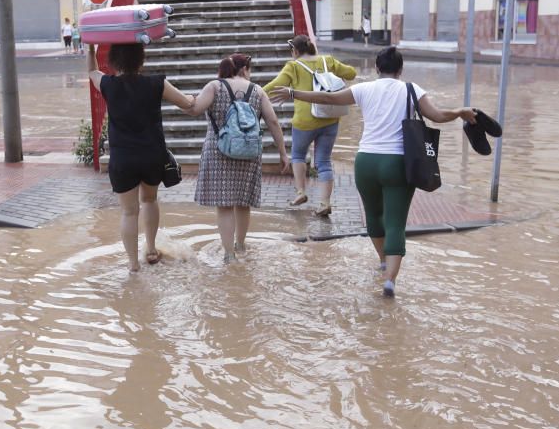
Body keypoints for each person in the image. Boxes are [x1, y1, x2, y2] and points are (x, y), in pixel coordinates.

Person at [269, 46, 477, 298]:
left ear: (377, 68)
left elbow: (327, 99)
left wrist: (293, 92)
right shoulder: (411, 89)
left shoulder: (364, 88)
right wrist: (460, 112)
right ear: (401, 69)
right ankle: (390, 279)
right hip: (397, 163)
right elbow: (438, 116)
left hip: (365, 162)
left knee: (374, 218)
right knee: (395, 222)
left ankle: (382, 261)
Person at [88, 43, 194, 272]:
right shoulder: (155, 83)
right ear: (141, 61)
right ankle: (151, 249)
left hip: (123, 158)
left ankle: (133, 264)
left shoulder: (108, 84)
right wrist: (195, 97)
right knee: (149, 200)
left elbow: (91, 73)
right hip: (151, 155)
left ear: (114, 63)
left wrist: (90, 49)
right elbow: (186, 103)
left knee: (129, 211)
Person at [188, 53, 290, 263]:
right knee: (243, 202)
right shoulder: (258, 91)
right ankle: (241, 246)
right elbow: (272, 121)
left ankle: (228, 254)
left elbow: (195, 109)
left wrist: (185, 100)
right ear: (245, 69)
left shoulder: (214, 87)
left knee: (225, 205)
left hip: (218, 152)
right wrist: (282, 152)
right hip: (248, 152)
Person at [262, 36, 357, 215]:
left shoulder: (293, 66)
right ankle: (324, 203)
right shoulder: (327, 60)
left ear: (295, 51)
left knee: (298, 155)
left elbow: (276, 85)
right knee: (324, 161)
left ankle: (301, 192)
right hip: (330, 118)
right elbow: (351, 73)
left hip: (305, 122)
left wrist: (256, 93)